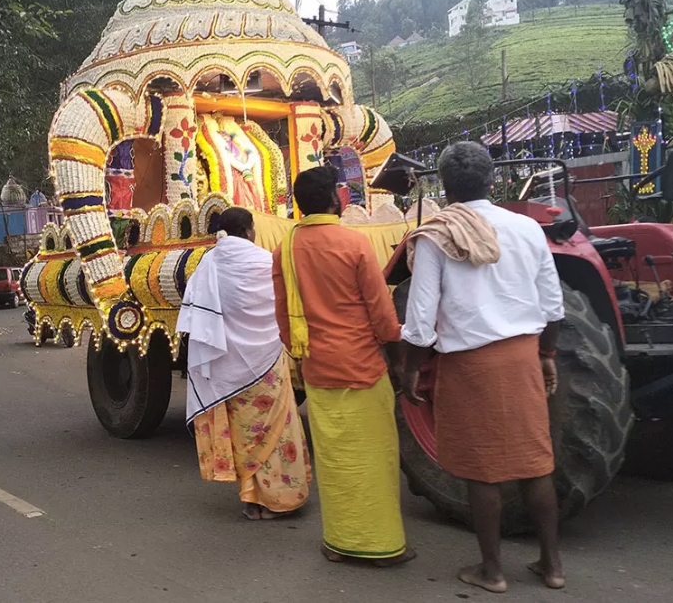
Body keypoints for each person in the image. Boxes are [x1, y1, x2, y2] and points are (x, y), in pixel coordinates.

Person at [400, 141, 565, 594]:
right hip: (524, 356)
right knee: (536, 464)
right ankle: (552, 566)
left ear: (445, 186)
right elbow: (553, 305)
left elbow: (419, 320)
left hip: (470, 365)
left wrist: (411, 371)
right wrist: (547, 357)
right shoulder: (527, 227)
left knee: (482, 470)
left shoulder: (436, 234)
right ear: (493, 181)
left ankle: (492, 571)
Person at [271, 166, 415, 567]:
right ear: (335, 199)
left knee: (335, 461)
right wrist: (401, 355)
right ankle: (382, 545)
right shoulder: (354, 244)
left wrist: (301, 348)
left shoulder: (286, 248)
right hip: (362, 367)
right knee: (375, 457)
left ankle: (340, 542)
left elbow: (283, 318)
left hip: (318, 369)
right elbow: (383, 315)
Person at [178, 207, 311, 520]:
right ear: (251, 230)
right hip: (265, 362)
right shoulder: (265, 260)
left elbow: (197, 315)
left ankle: (251, 497)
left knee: (244, 431)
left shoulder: (207, 264)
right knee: (275, 430)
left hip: (226, 365)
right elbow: (284, 304)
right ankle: (278, 499)